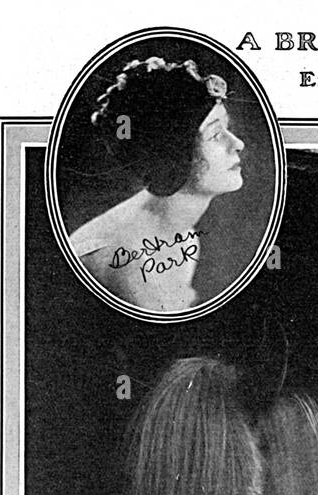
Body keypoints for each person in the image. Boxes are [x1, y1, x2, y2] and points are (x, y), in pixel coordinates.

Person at [68, 57, 245, 312]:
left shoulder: (183, 237)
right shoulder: (132, 262)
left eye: (226, 129)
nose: (237, 143)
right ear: (174, 153)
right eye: (216, 135)